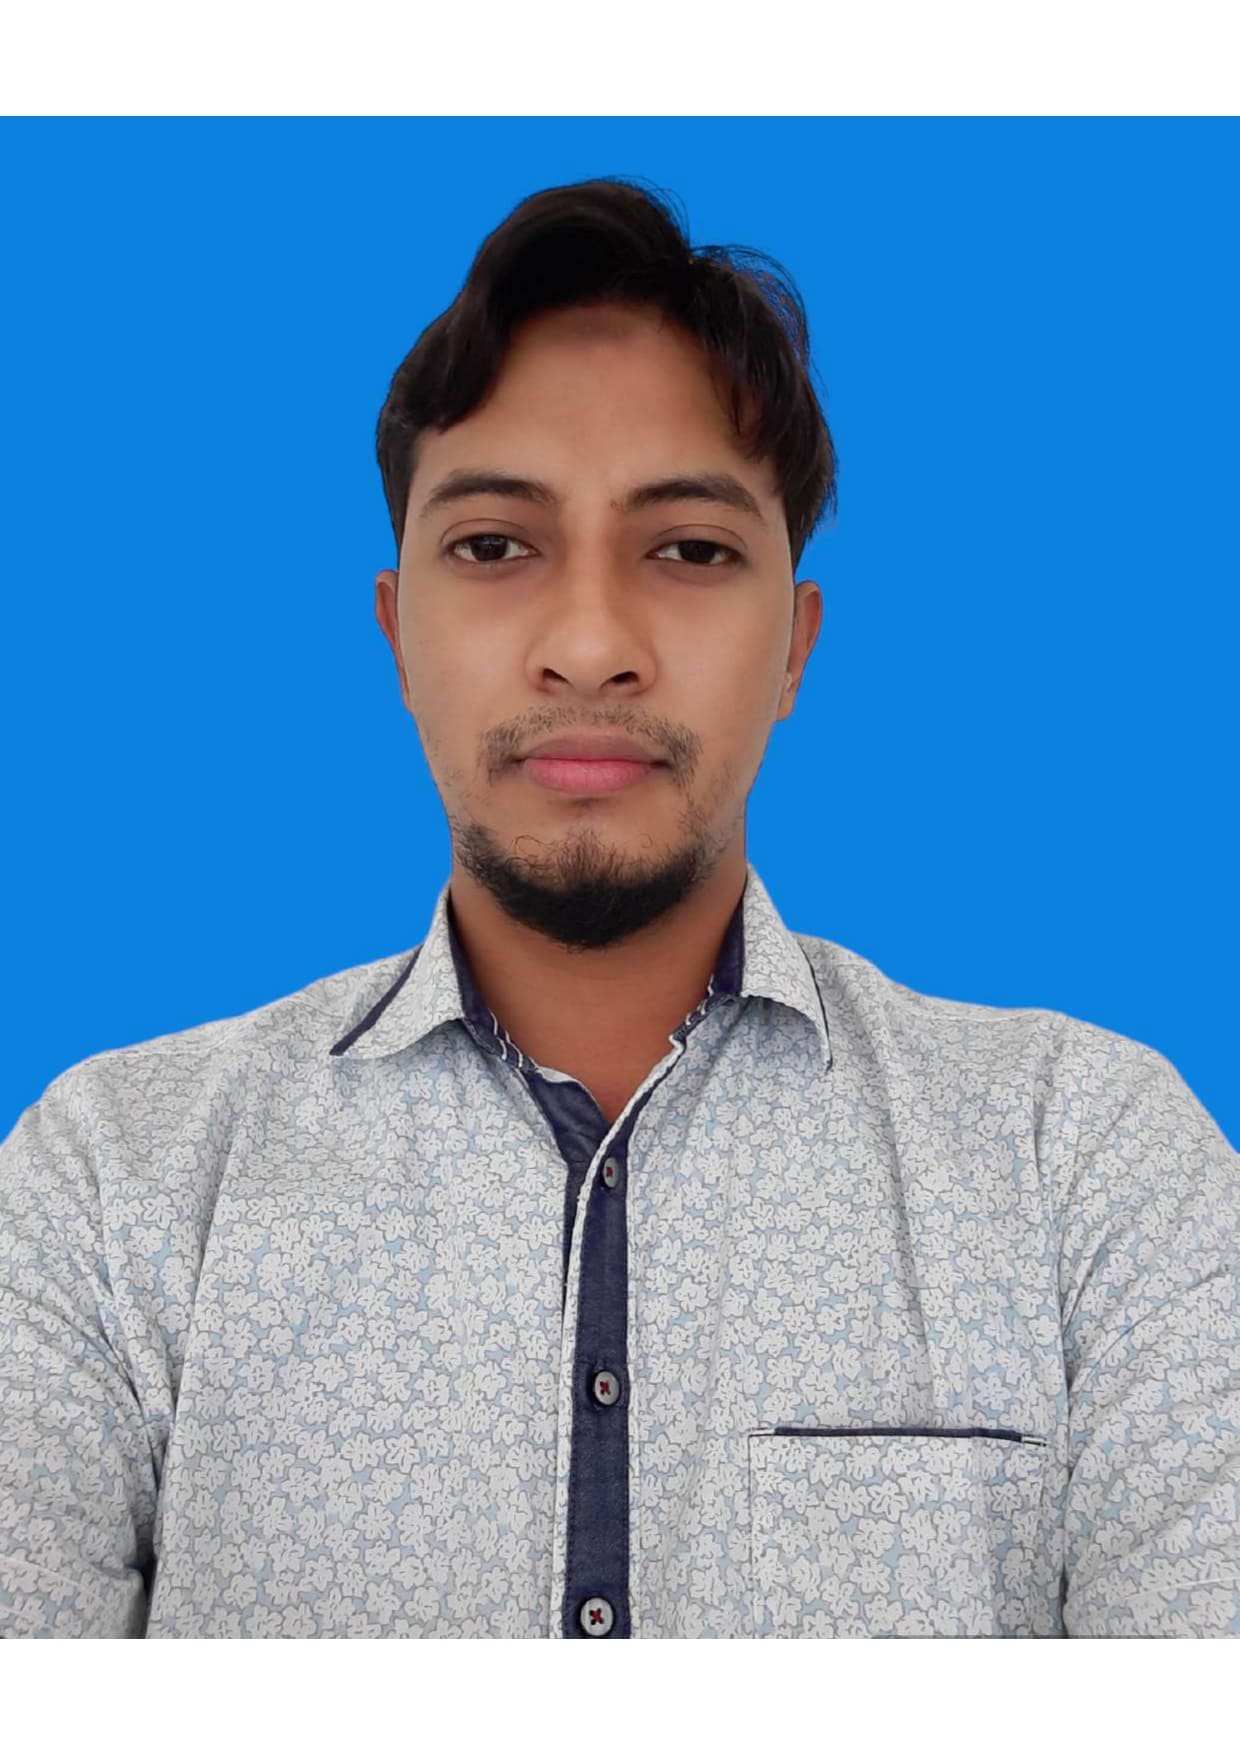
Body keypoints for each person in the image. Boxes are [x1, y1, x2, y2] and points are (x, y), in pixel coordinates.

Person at [1, 175, 1237, 1640]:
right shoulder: (112, 1186)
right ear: (398, 637)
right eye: (494, 546)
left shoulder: (1083, 1168)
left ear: (795, 646)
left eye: (692, 550)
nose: (590, 646)